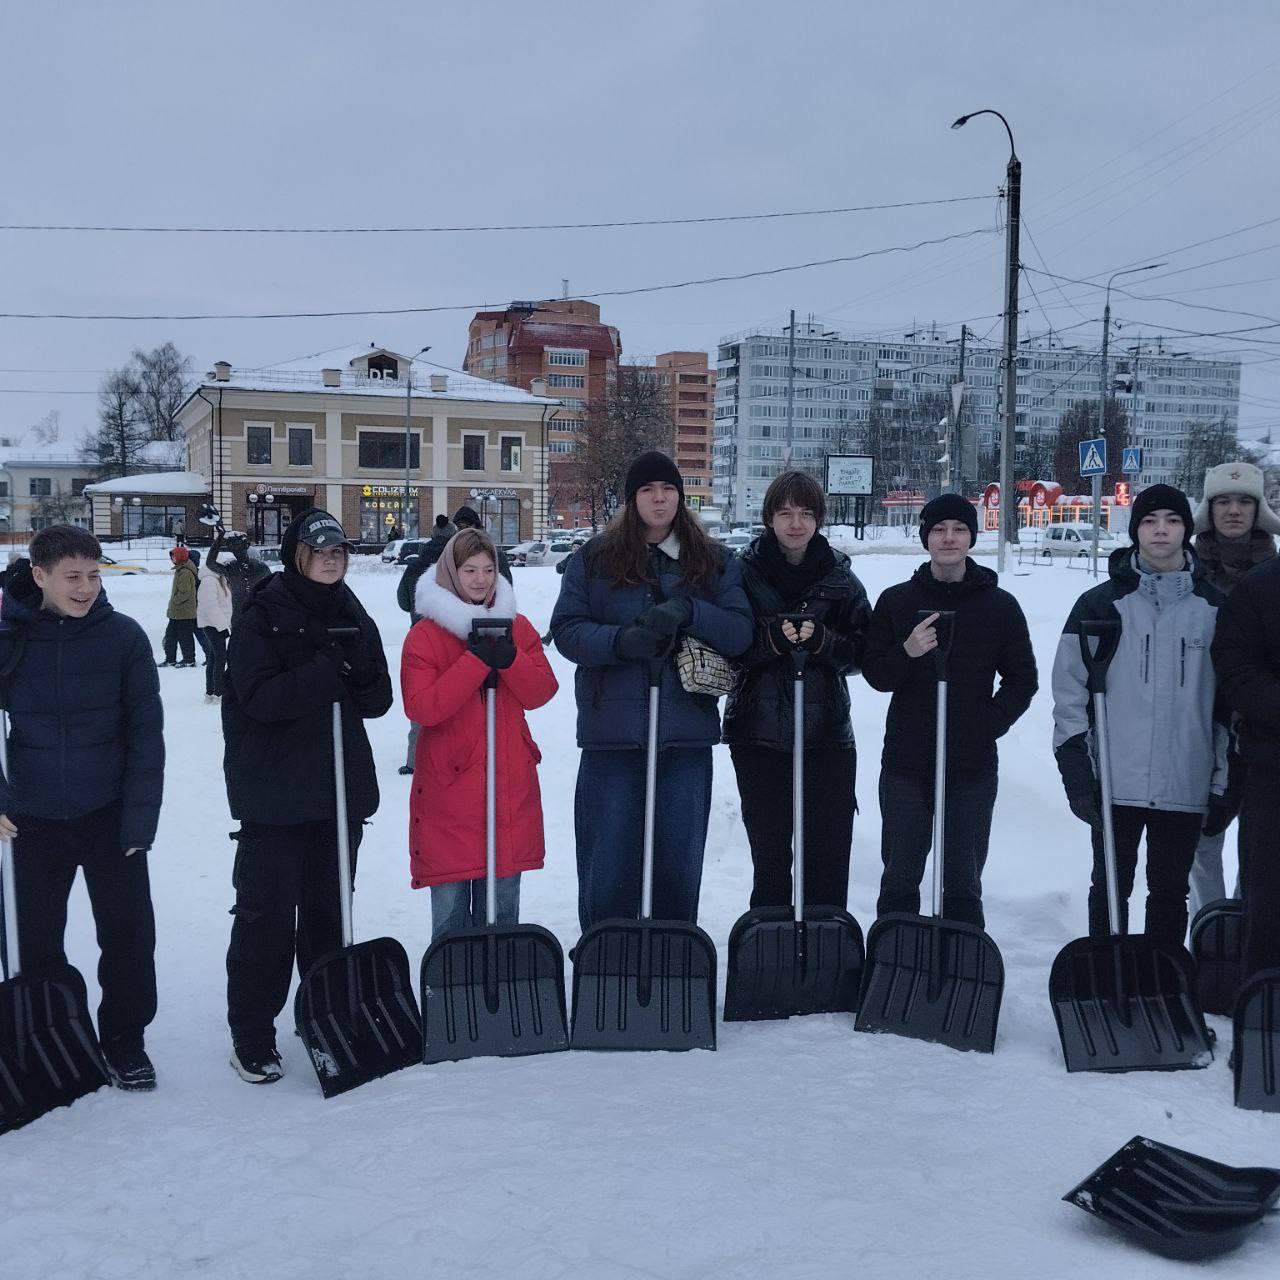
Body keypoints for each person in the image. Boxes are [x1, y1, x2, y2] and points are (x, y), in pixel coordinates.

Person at [221, 509, 392, 1083]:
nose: (330, 560)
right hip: (274, 795)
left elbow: (377, 699)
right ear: (297, 555)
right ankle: (252, 1034)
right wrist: (324, 669)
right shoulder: (262, 613)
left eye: (338, 551)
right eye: (320, 551)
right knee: (265, 920)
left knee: (327, 914)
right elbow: (257, 699)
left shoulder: (351, 610)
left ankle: (324, 1015)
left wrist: (355, 667)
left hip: (336, 792)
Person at [550, 450, 753, 930]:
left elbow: (740, 632)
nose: (659, 499)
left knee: (677, 860)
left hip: (684, 735)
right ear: (631, 499)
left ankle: (672, 949)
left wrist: (691, 611)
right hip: (613, 735)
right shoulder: (594, 559)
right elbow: (568, 630)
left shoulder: (713, 561)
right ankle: (607, 948)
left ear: (680, 497)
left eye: (668, 489)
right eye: (647, 490)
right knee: (608, 858)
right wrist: (620, 641)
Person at [0, 526, 164, 1090]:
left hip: (108, 813)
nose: (86, 587)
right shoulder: (10, 638)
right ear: (39, 575)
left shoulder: (123, 637)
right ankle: (48, 1035)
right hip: (31, 818)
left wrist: (139, 821)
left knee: (128, 937)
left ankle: (125, 1040)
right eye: (72, 576)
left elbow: (146, 735)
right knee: (32, 938)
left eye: (94, 575)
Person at [1052, 485, 1227, 948]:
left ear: (1187, 529)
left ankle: (1159, 977)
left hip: (1185, 778)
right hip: (1115, 779)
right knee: (1110, 886)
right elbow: (1069, 694)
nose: (1161, 530)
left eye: (1172, 520)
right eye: (1149, 521)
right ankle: (1107, 974)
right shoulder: (1099, 606)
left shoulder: (1214, 609)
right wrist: (1078, 771)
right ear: (1135, 531)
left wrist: (1223, 782)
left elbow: (1228, 707)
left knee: (1169, 892)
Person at [862, 494, 1037, 928]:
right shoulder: (897, 602)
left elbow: (1022, 679)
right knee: (900, 874)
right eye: (939, 530)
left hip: (970, 765)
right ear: (926, 538)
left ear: (971, 537)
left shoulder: (999, 607)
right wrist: (907, 651)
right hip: (907, 761)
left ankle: (960, 954)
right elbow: (877, 675)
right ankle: (895, 953)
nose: (948, 538)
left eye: (959, 529)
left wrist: (987, 725)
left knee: (963, 880)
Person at [722, 470, 871, 909]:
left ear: (818, 519)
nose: (796, 523)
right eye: (785, 513)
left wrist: (826, 643)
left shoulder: (841, 579)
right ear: (769, 517)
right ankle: (770, 940)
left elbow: (865, 652)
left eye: (806, 513)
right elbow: (726, 646)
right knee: (770, 858)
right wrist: (770, 640)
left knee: (827, 856)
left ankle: (825, 941)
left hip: (826, 734)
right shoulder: (740, 575)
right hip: (759, 733)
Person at [401, 528, 556, 938]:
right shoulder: (427, 635)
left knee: (501, 914)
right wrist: (473, 663)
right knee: (451, 918)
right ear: (452, 573)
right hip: (450, 794)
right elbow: (423, 707)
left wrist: (510, 659)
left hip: (507, 789)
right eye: (470, 570)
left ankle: (499, 977)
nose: (480, 579)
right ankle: (452, 979)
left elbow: (542, 691)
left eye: (488, 569)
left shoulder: (517, 627)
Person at [1187, 462, 1280, 919]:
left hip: (1264, 728)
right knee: (1202, 840)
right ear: (1209, 508)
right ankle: (1210, 933)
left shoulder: (1274, 577)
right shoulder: (1186, 573)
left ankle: (1246, 930)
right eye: (1223, 501)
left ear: (1259, 509)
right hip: (1200, 724)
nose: (1234, 510)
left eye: (1244, 501)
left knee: (1260, 845)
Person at [1212, 524, 1280, 982]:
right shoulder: (1261, 588)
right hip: (1273, 770)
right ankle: (1264, 1002)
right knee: (1269, 897)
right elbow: (1235, 666)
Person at [207, 527, 271, 625]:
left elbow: (272, 590)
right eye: (233, 548)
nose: (237, 551)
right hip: (238, 617)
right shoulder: (231, 568)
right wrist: (220, 538)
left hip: (259, 617)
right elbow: (210, 563)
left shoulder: (261, 567)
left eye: (239, 547)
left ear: (246, 546)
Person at [198, 548, 235, 702]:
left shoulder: (220, 579)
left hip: (217, 625)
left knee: (214, 658)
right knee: (220, 659)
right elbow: (210, 606)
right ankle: (218, 693)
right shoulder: (209, 580)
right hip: (212, 625)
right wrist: (222, 626)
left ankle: (211, 692)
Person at [157, 545, 198, 668]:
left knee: (185, 637)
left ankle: (189, 659)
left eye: (174, 557)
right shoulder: (180, 570)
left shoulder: (185, 572)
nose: (172, 559)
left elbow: (185, 592)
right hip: (177, 612)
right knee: (170, 636)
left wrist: (174, 601)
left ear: (180, 557)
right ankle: (170, 659)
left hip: (184, 612)